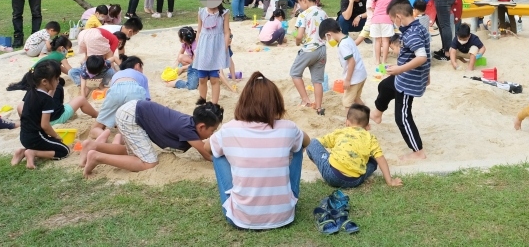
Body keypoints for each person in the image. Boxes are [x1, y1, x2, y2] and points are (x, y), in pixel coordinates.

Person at [209, 72, 307, 230]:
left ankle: (235, 199)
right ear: (276, 103)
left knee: (216, 151)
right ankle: (286, 198)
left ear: (244, 102)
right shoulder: (288, 128)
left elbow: (208, 148)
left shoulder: (229, 129)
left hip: (241, 219)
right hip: (284, 216)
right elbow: (306, 141)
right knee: (299, 144)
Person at [80, 99, 221, 177]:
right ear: (202, 127)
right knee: (149, 163)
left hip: (131, 110)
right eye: (212, 130)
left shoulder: (189, 123)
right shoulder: (188, 130)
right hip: (132, 117)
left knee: (133, 153)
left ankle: (93, 146)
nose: (212, 134)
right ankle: (97, 157)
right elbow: (207, 154)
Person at [372, 0, 429, 160]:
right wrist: (427, 75)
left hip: (407, 81)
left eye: (392, 20)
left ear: (398, 17)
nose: (393, 24)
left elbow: (422, 57)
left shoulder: (412, 34)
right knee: (384, 86)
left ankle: (418, 152)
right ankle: (377, 112)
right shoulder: (420, 27)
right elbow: (427, 51)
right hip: (403, 76)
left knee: (402, 117)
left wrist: (399, 69)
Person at [307, 104, 402, 189]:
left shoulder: (341, 132)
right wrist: (390, 181)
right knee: (373, 161)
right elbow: (380, 158)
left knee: (312, 142)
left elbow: (320, 142)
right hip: (354, 181)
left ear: (347, 122)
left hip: (332, 176)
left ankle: (324, 166)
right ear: (367, 126)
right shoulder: (370, 137)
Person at [11, 61, 74, 168]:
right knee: (65, 150)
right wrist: (56, 136)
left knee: (51, 142)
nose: (58, 81)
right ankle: (32, 153)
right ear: (44, 81)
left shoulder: (31, 92)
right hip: (36, 138)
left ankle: (22, 151)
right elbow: (45, 125)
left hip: (24, 136)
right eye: (56, 79)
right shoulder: (47, 100)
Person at [290, 0, 328, 115]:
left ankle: (305, 100)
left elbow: (299, 35)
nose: (300, 6)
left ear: (304, 0)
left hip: (309, 49)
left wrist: (297, 41)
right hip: (322, 49)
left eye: (299, 3)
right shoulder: (323, 13)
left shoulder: (303, 14)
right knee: (317, 80)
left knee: (295, 73)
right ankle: (318, 107)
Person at [91, 56, 152, 136]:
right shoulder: (141, 76)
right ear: (137, 66)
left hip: (114, 91)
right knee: (132, 123)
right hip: (134, 89)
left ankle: (102, 134)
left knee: (96, 127)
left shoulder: (117, 74)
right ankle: (121, 137)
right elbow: (146, 100)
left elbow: (114, 96)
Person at [192, 0, 236, 104]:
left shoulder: (224, 13)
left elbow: (226, 32)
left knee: (214, 79)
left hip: (217, 48)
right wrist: (197, 48)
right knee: (202, 78)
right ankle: (202, 101)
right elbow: (198, 31)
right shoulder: (201, 12)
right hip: (203, 48)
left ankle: (214, 104)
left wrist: (224, 49)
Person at [319, 18, 367, 109]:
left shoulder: (343, 44)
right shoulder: (347, 38)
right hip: (361, 75)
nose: (328, 41)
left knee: (347, 103)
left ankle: (349, 122)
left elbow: (351, 61)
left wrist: (348, 80)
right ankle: (368, 115)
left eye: (327, 39)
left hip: (354, 78)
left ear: (329, 34)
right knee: (356, 98)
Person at [367, 0, 397, 66]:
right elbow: (396, 6)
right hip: (387, 20)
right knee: (385, 41)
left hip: (375, 20)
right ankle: (384, 61)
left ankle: (377, 61)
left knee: (377, 41)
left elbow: (373, 8)